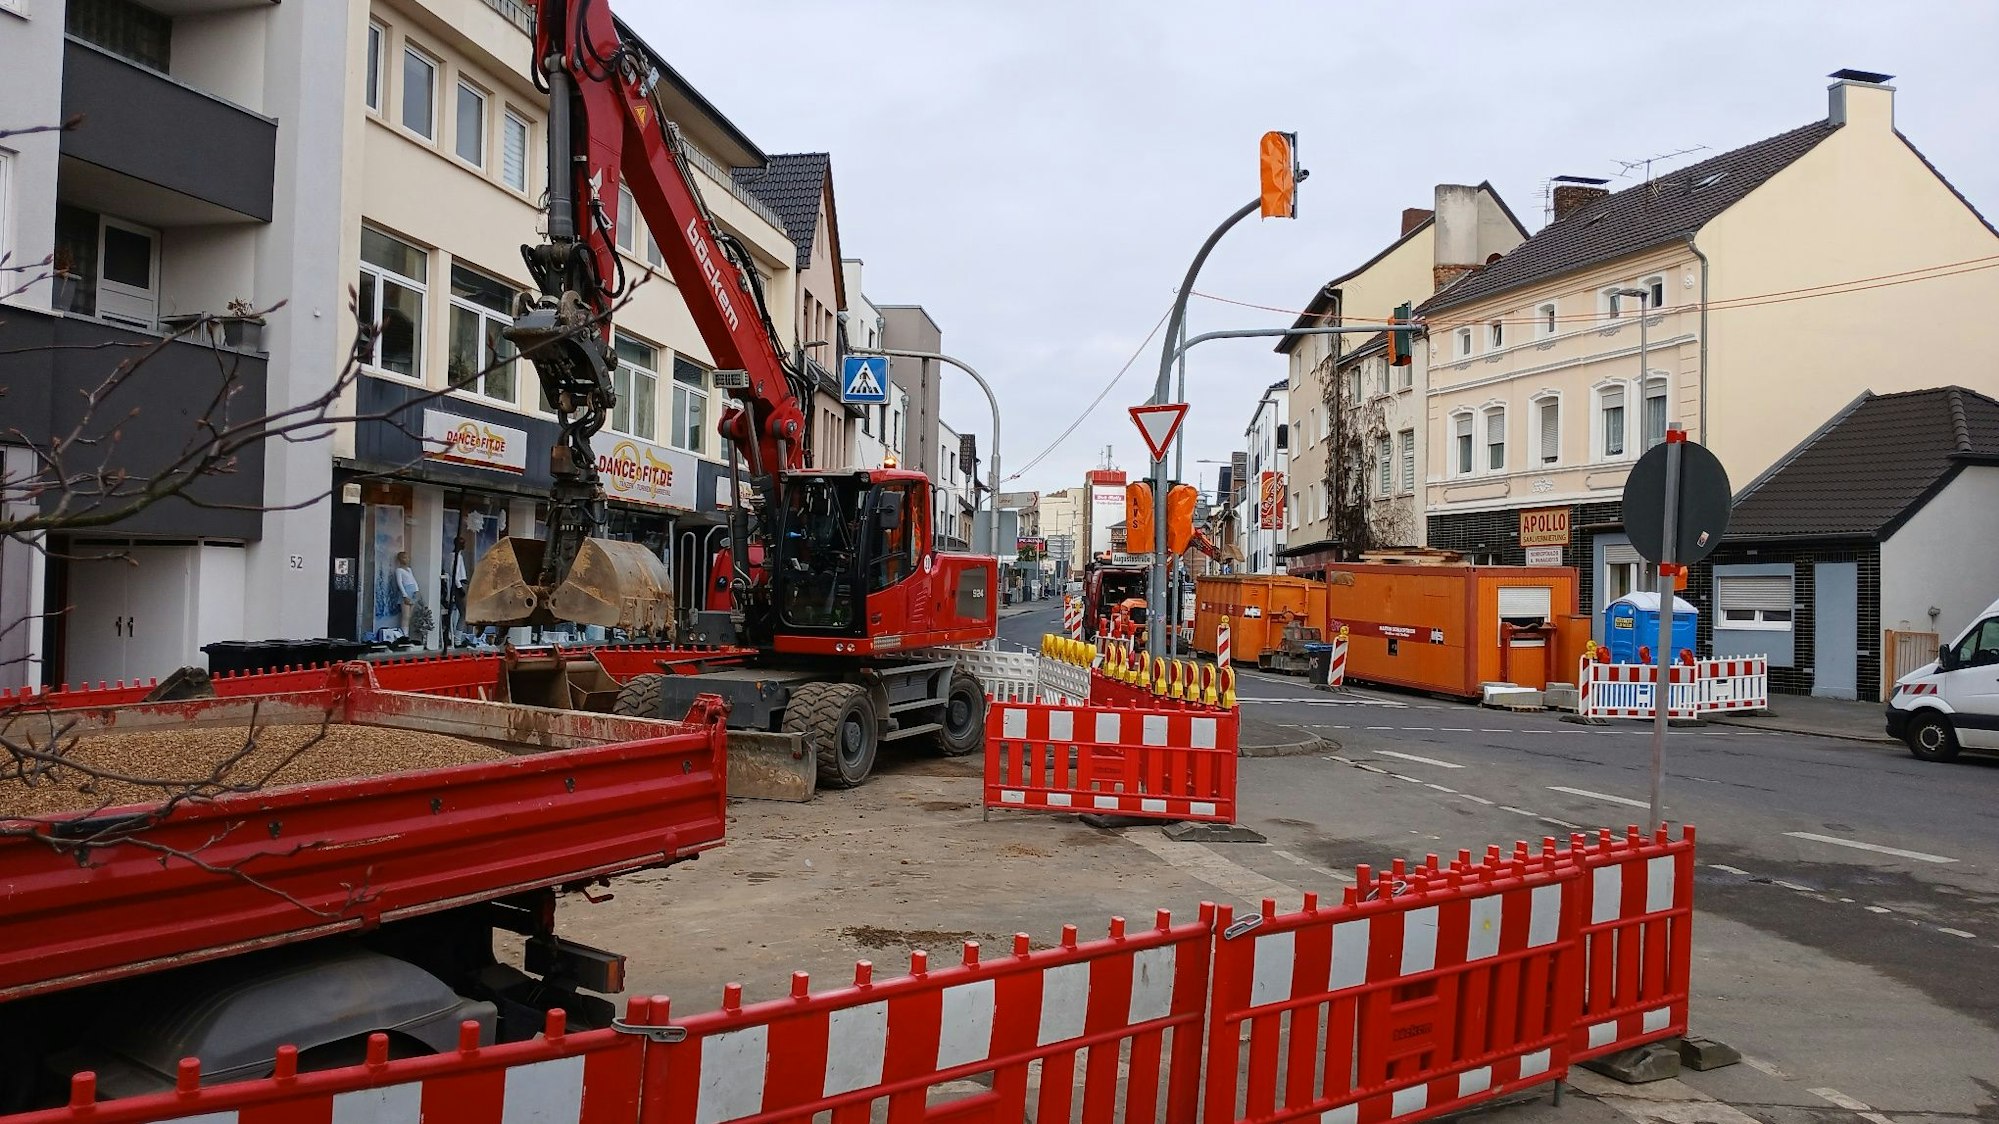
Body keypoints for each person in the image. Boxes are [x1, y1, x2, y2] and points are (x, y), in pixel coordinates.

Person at [394, 551, 420, 639]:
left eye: (407, 557)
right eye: (404, 558)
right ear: (400, 559)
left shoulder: (409, 569)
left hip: (412, 591)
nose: (407, 559)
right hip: (406, 591)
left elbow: (413, 580)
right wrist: (404, 595)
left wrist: (417, 590)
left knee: (409, 616)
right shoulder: (399, 570)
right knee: (405, 615)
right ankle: (404, 635)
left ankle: (406, 634)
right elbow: (400, 583)